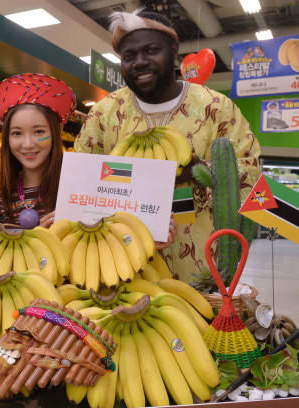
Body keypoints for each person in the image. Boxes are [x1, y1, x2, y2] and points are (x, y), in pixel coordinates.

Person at [74, 9, 261, 282]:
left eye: (151, 51)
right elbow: (81, 177)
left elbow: (250, 172)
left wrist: (202, 173)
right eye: (129, 56)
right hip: (119, 267)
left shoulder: (216, 108)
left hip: (201, 270)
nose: (139, 62)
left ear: (173, 51)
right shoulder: (105, 112)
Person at [0, 73, 76, 229]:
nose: (27, 144)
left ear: (57, 131)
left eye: (38, 132)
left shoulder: (77, 195)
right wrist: (34, 237)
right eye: (17, 133)